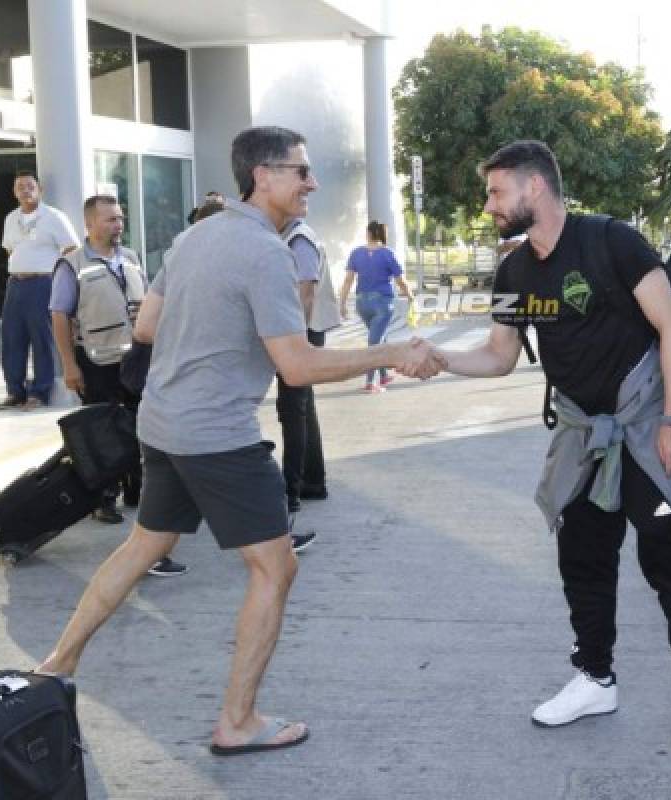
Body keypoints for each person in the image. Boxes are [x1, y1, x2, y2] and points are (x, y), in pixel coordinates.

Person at [37, 126, 444, 757]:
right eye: (301, 171)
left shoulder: (195, 235)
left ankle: (57, 664)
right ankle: (238, 721)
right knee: (275, 566)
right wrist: (393, 351)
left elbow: (146, 323)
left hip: (163, 421)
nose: (311, 182)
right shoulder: (266, 253)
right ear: (263, 175)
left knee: (146, 543)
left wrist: (213, 331)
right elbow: (297, 368)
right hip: (215, 434)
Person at [438, 140, 671, 753]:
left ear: (534, 188)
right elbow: (498, 355)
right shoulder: (514, 272)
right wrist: (439, 359)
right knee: (583, 560)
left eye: (496, 191)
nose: (489, 205)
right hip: (582, 433)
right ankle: (595, 678)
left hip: (647, 422)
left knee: (666, 557)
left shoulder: (613, 242)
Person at [48, 195, 189, 578]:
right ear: (90, 224)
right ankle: (103, 498)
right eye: (110, 219)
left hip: (137, 357)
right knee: (102, 433)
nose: (118, 224)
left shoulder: (130, 256)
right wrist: (68, 364)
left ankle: (136, 489)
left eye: (120, 218)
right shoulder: (72, 264)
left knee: (142, 426)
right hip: (97, 360)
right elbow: (59, 315)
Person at [0, 171, 79, 411]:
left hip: (43, 283)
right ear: (14, 192)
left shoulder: (53, 217)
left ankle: (39, 392)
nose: (25, 190)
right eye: (20, 186)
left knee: (42, 339)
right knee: (12, 339)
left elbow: (72, 247)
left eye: (30, 186)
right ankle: (15, 391)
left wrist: (53, 272)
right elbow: (10, 249)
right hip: (16, 284)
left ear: (40, 190)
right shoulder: (11, 218)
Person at [276, 217, 341, 513]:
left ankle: (292, 489)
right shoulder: (297, 235)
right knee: (302, 407)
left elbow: (307, 292)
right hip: (304, 330)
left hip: (302, 331)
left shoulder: (298, 238)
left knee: (293, 409)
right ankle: (312, 480)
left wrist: (296, 340)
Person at [339, 221, 415, 393]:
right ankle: (370, 382)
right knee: (375, 343)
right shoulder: (388, 254)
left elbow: (348, 281)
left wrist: (342, 303)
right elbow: (400, 280)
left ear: (368, 233)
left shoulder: (356, 253)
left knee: (380, 337)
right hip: (382, 303)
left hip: (362, 303)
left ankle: (383, 375)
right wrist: (410, 295)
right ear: (383, 234)